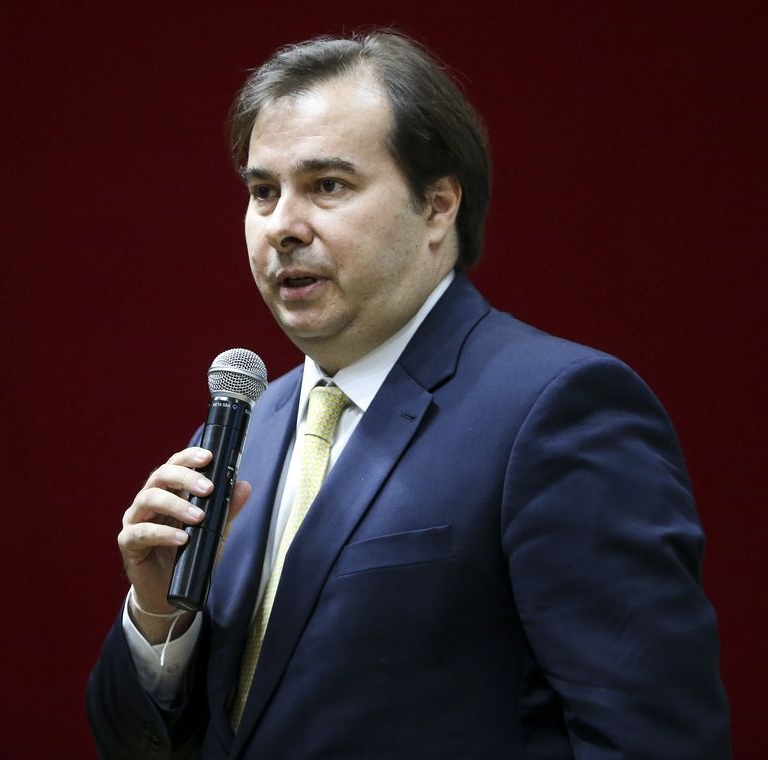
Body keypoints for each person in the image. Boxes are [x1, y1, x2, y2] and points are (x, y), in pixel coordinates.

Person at [86, 29, 730, 758]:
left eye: (328, 185)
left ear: (438, 206)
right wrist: (159, 618)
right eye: (263, 192)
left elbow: (653, 737)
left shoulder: (558, 411)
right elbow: (135, 743)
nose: (283, 227)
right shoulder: (242, 432)